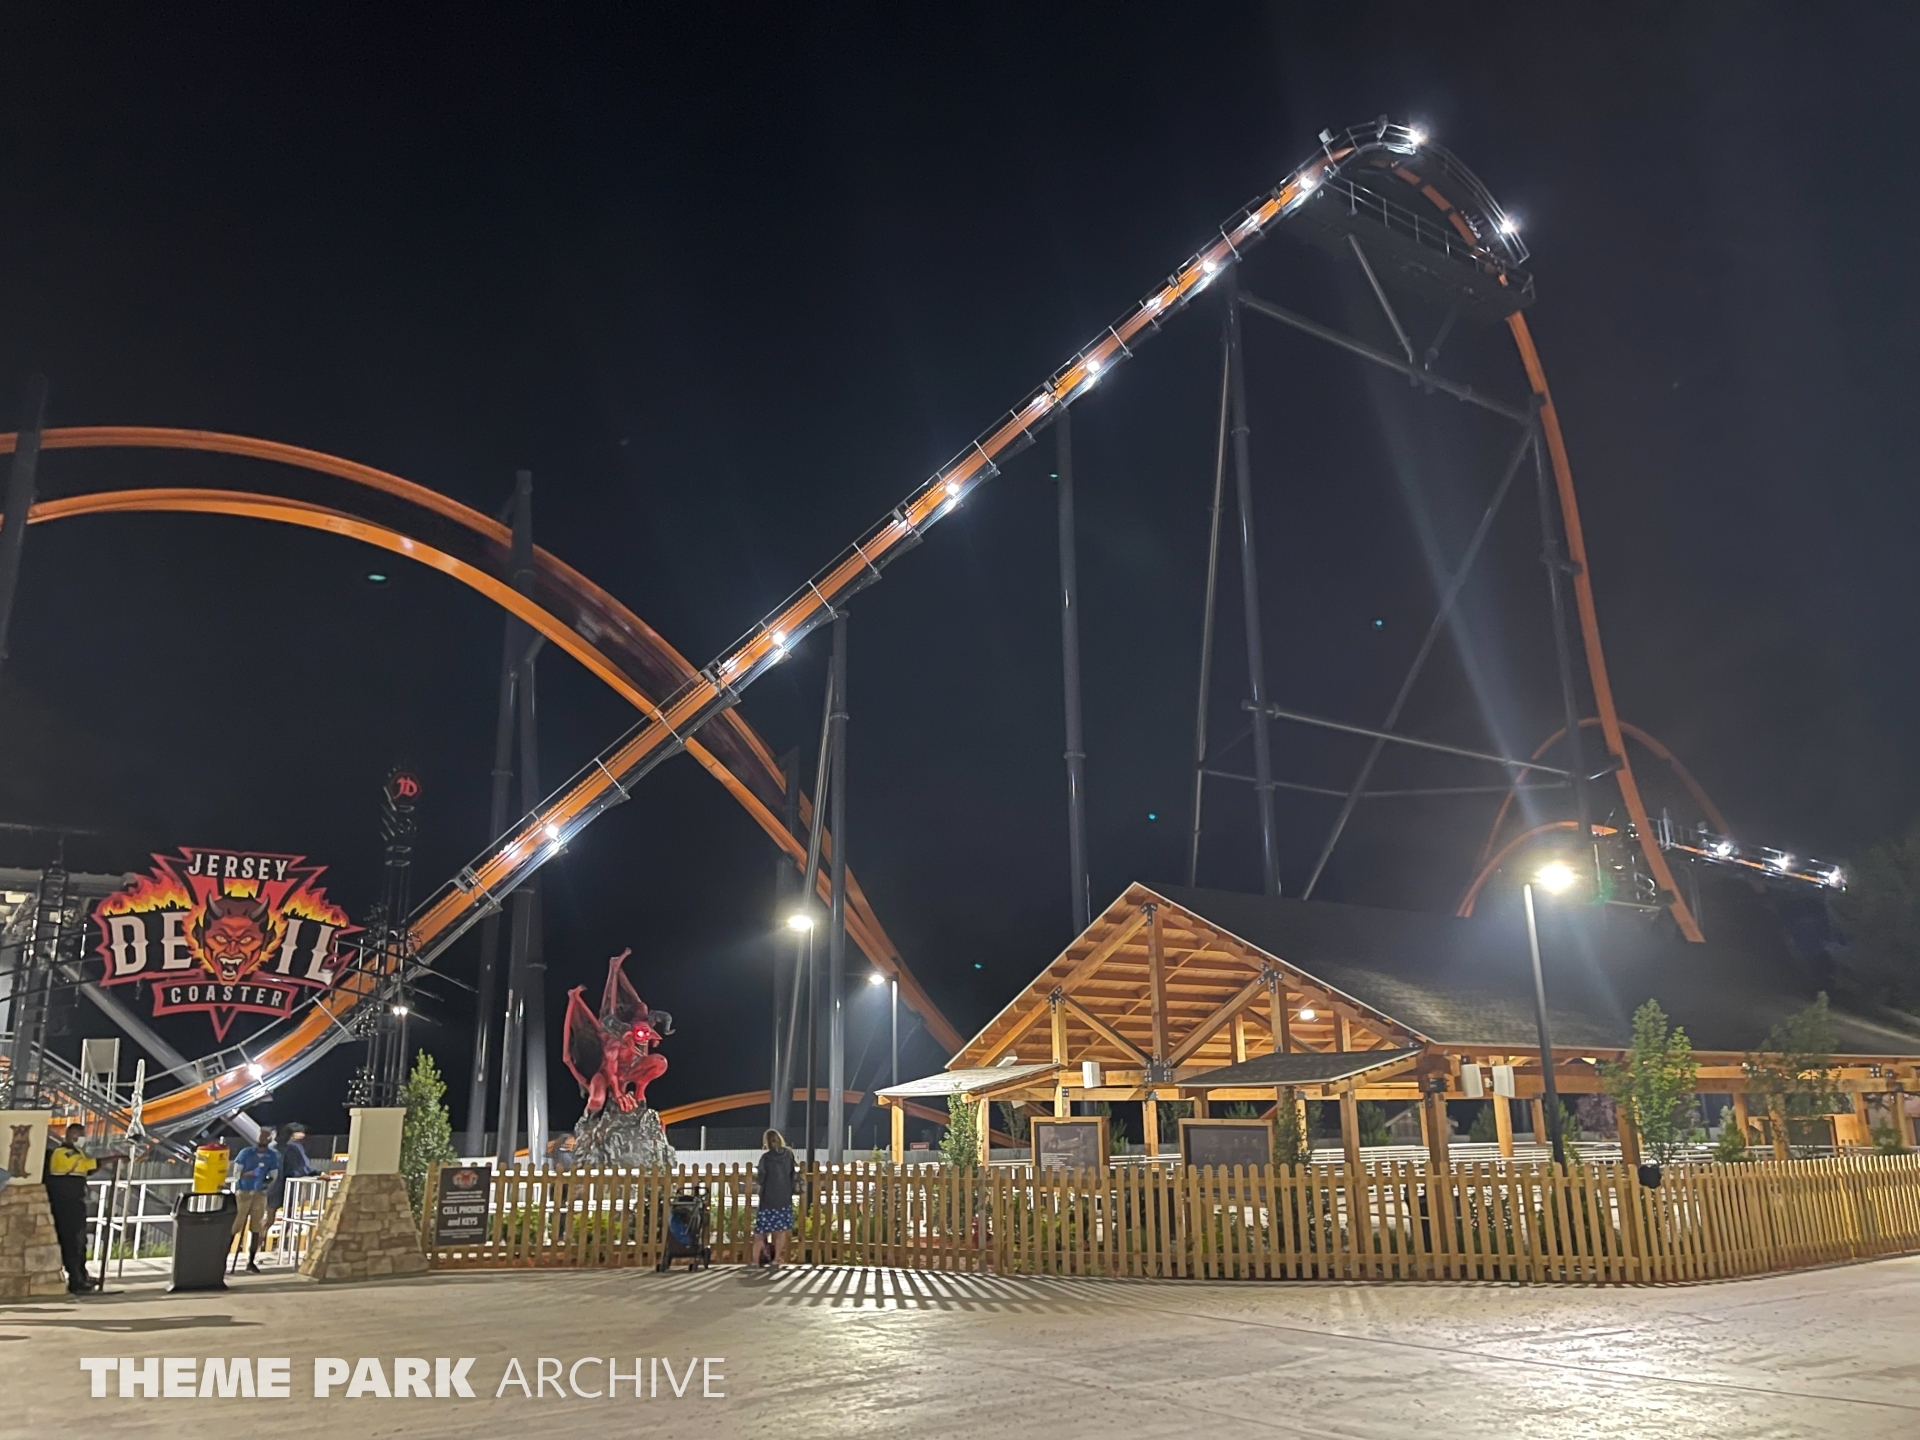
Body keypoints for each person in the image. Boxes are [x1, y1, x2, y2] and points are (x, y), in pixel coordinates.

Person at [44, 1123, 99, 1294]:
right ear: (69, 1135)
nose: (81, 1138)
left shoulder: (77, 1151)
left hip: (76, 1202)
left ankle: (82, 1275)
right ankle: (75, 1279)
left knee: (80, 1242)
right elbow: (85, 1165)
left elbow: (88, 1169)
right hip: (65, 1205)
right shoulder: (62, 1153)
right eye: (78, 1135)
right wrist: (114, 1158)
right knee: (72, 1242)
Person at [229, 1129, 281, 1273]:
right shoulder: (246, 1153)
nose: (263, 1139)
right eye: (261, 1136)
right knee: (236, 1224)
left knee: (257, 1226)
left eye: (266, 1136)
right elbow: (237, 1174)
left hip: (260, 1193)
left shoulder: (272, 1156)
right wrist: (250, 1174)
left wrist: (266, 1182)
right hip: (244, 1192)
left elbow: (273, 1174)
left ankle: (251, 1261)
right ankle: (223, 1258)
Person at [752, 1128, 797, 1271]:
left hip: (767, 1200)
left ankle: (755, 1262)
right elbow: (792, 1173)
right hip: (784, 1198)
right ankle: (776, 1260)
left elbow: (761, 1178)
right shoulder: (788, 1154)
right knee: (780, 1231)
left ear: (767, 1142)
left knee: (760, 1232)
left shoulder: (765, 1158)